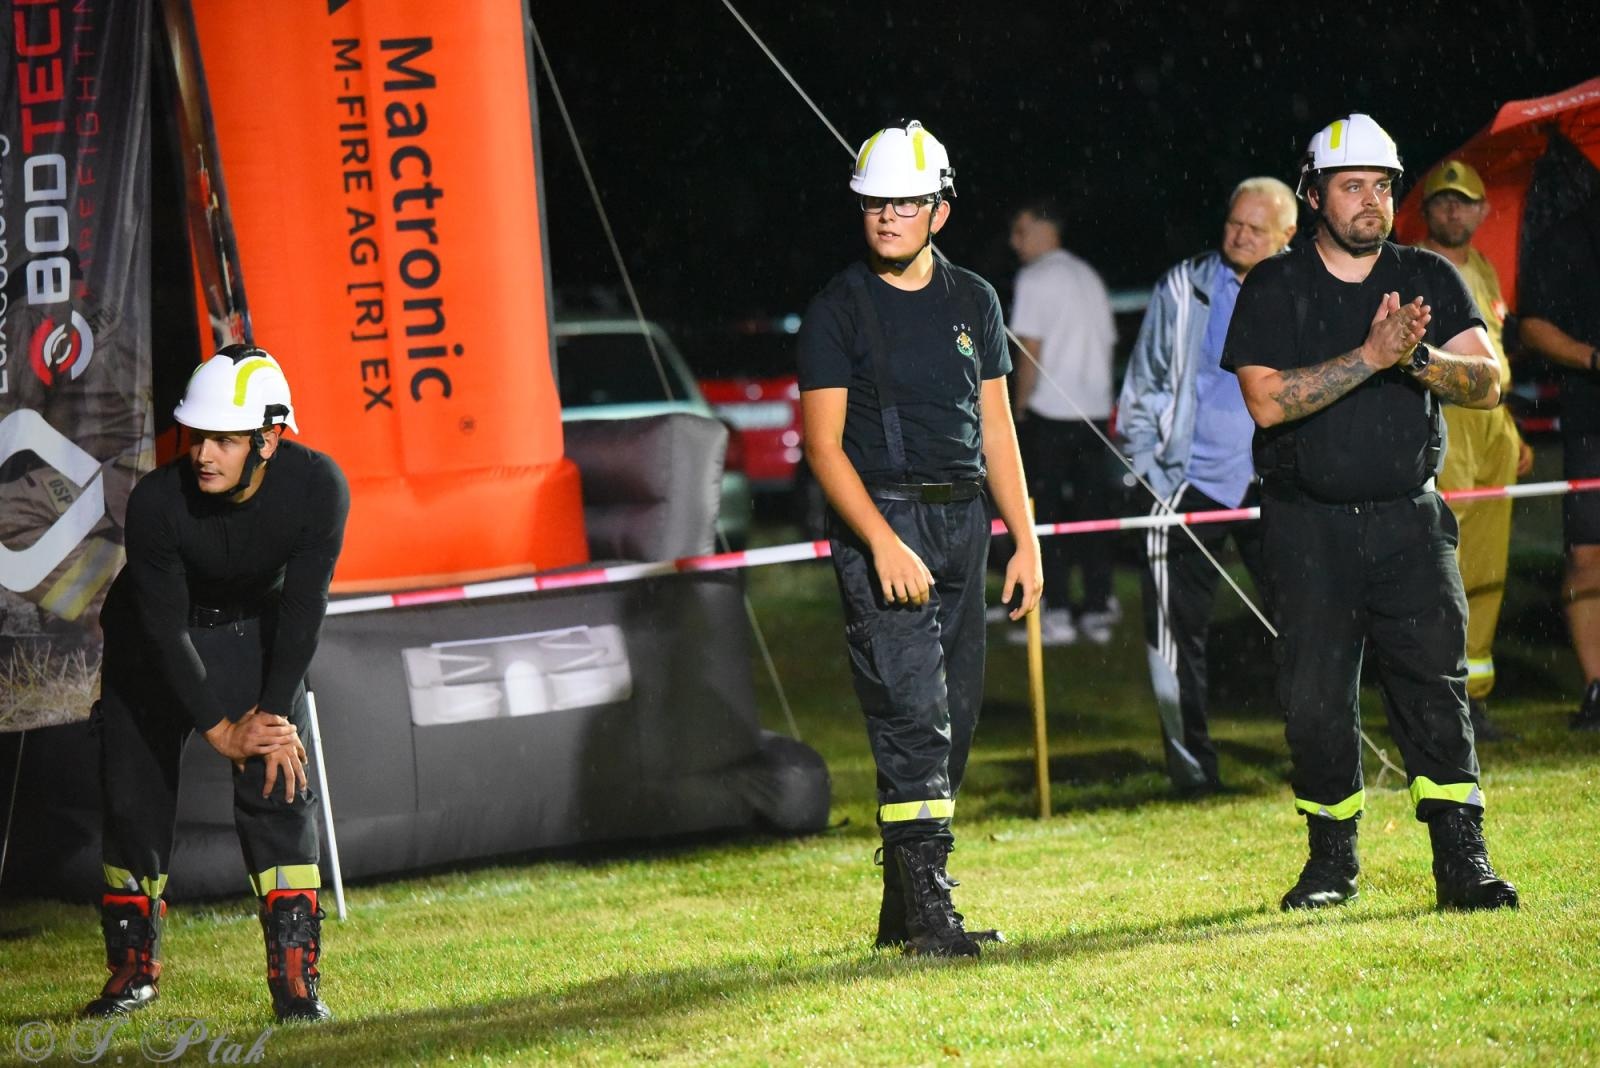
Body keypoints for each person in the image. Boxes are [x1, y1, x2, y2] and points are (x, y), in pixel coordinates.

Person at [1223, 114, 1518, 912]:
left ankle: (1463, 861)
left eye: (1383, 186)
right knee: (1315, 699)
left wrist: (1419, 358)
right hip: (1306, 527)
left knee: (1435, 687)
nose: (1371, 201)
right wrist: (1369, 357)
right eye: (1353, 185)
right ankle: (1331, 865)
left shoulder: (1426, 274)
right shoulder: (1275, 285)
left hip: (1409, 523)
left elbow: (1490, 381)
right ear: (1314, 193)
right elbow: (1267, 403)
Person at [797, 119, 1042, 957]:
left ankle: (904, 910)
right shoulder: (837, 309)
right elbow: (824, 449)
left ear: (940, 209)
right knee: (914, 719)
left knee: (957, 721)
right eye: (874, 202)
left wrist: (1026, 539)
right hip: (885, 525)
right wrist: (881, 542)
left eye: (905, 201)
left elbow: (998, 430)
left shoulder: (975, 297)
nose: (888, 215)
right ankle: (932, 916)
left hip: (964, 525)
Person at [83, 345, 350, 1021]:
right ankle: (132, 972)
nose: (203, 453)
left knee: (280, 784)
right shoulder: (155, 502)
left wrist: (272, 715)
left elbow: (303, 608)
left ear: (269, 437)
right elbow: (166, 631)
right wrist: (219, 728)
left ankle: (295, 985)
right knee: (133, 798)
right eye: (198, 435)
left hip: (251, 633)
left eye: (224, 440)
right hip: (152, 643)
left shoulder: (319, 486)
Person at [1116, 176, 1296, 794]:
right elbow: (1143, 384)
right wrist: (1144, 473)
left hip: (1275, 483)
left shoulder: (1305, 287)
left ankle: (1318, 753)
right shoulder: (1182, 285)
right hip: (1182, 486)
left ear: (1287, 236)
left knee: (1305, 623)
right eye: (1234, 223)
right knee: (1174, 641)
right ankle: (1192, 773)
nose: (1240, 236)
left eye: (1256, 228)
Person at [1413, 159, 1533, 741]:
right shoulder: (1415, 268)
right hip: (1449, 424)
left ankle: (1475, 695)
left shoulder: (1484, 268)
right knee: (1442, 568)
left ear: (1483, 211)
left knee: (1488, 564)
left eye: (1464, 201)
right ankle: (1436, 692)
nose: (1453, 211)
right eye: (1442, 201)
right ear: (1426, 210)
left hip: (1493, 429)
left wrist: (1511, 431)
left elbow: (1497, 358)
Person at [1007, 199, 1119, 645]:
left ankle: (1053, 613)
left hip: (1050, 414)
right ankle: (1097, 607)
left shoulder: (1036, 277)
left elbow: (1028, 349)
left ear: (1042, 227)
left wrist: (1017, 409)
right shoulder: (1087, 274)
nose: (1015, 242)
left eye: (1020, 230)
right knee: (1092, 515)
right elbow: (1107, 342)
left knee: (1042, 514)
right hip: (1093, 414)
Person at [1518, 200, 1600, 731]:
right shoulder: (1571, 235)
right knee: (1587, 555)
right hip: (1591, 420)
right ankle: (1597, 689)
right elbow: (1532, 328)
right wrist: (1595, 359)